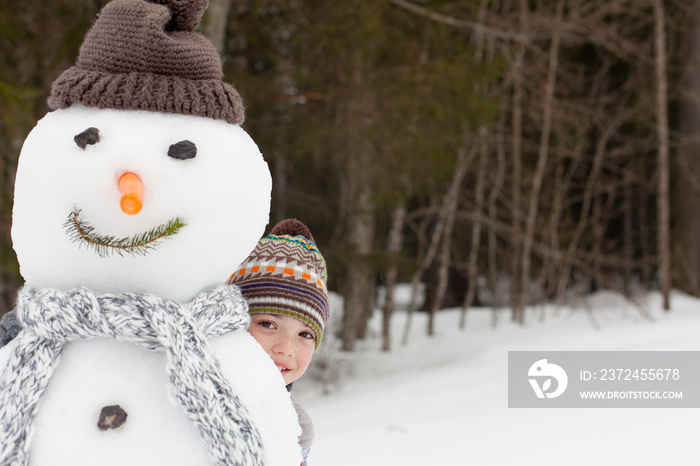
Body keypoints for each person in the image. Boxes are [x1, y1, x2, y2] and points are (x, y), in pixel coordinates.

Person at [227, 218, 329, 466]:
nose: (285, 348)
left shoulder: (296, 428)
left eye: (305, 335)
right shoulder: (190, 390)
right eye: (268, 324)